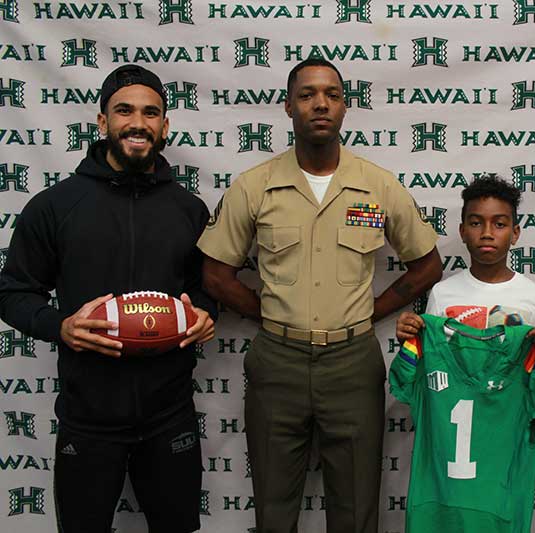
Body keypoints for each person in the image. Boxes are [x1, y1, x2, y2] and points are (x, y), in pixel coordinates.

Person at [198, 58, 442, 533]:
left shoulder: (377, 187)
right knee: (273, 509)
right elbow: (215, 275)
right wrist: (268, 314)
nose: (320, 103)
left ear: (345, 106)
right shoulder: (256, 186)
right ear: (289, 106)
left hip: (352, 365)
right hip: (277, 364)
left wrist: (370, 312)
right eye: (307, 94)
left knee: (355, 511)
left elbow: (427, 266)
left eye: (331, 94)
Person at [0, 64, 216, 533]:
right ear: (102, 122)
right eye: (124, 110)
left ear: (165, 126)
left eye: (150, 112)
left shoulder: (189, 210)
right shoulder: (55, 205)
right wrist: (59, 325)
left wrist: (205, 313)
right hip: (88, 419)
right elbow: (13, 292)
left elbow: (205, 289)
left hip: (170, 415)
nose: (138, 122)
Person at [396, 174, 535, 373]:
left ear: (515, 233)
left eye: (499, 224)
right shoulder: (442, 293)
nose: (487, 233)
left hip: (512, 404)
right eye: (476, 223)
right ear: (462, 231)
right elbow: (430, 363)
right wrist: (408, 340)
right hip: (456, 404)